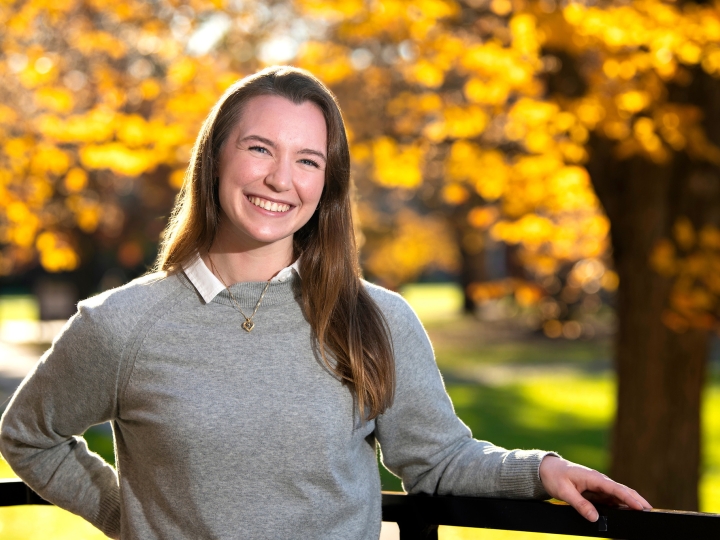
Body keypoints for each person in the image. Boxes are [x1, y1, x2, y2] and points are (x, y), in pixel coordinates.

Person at [0, 66, 650, 540]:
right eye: (259, 149)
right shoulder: (122, 325)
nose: (281, 178)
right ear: (215, 158)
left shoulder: (378, 320)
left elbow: (438, 459)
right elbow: (28, 435)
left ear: (327, 184)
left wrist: (541, 471)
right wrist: (130, 518)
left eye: (307, 161)